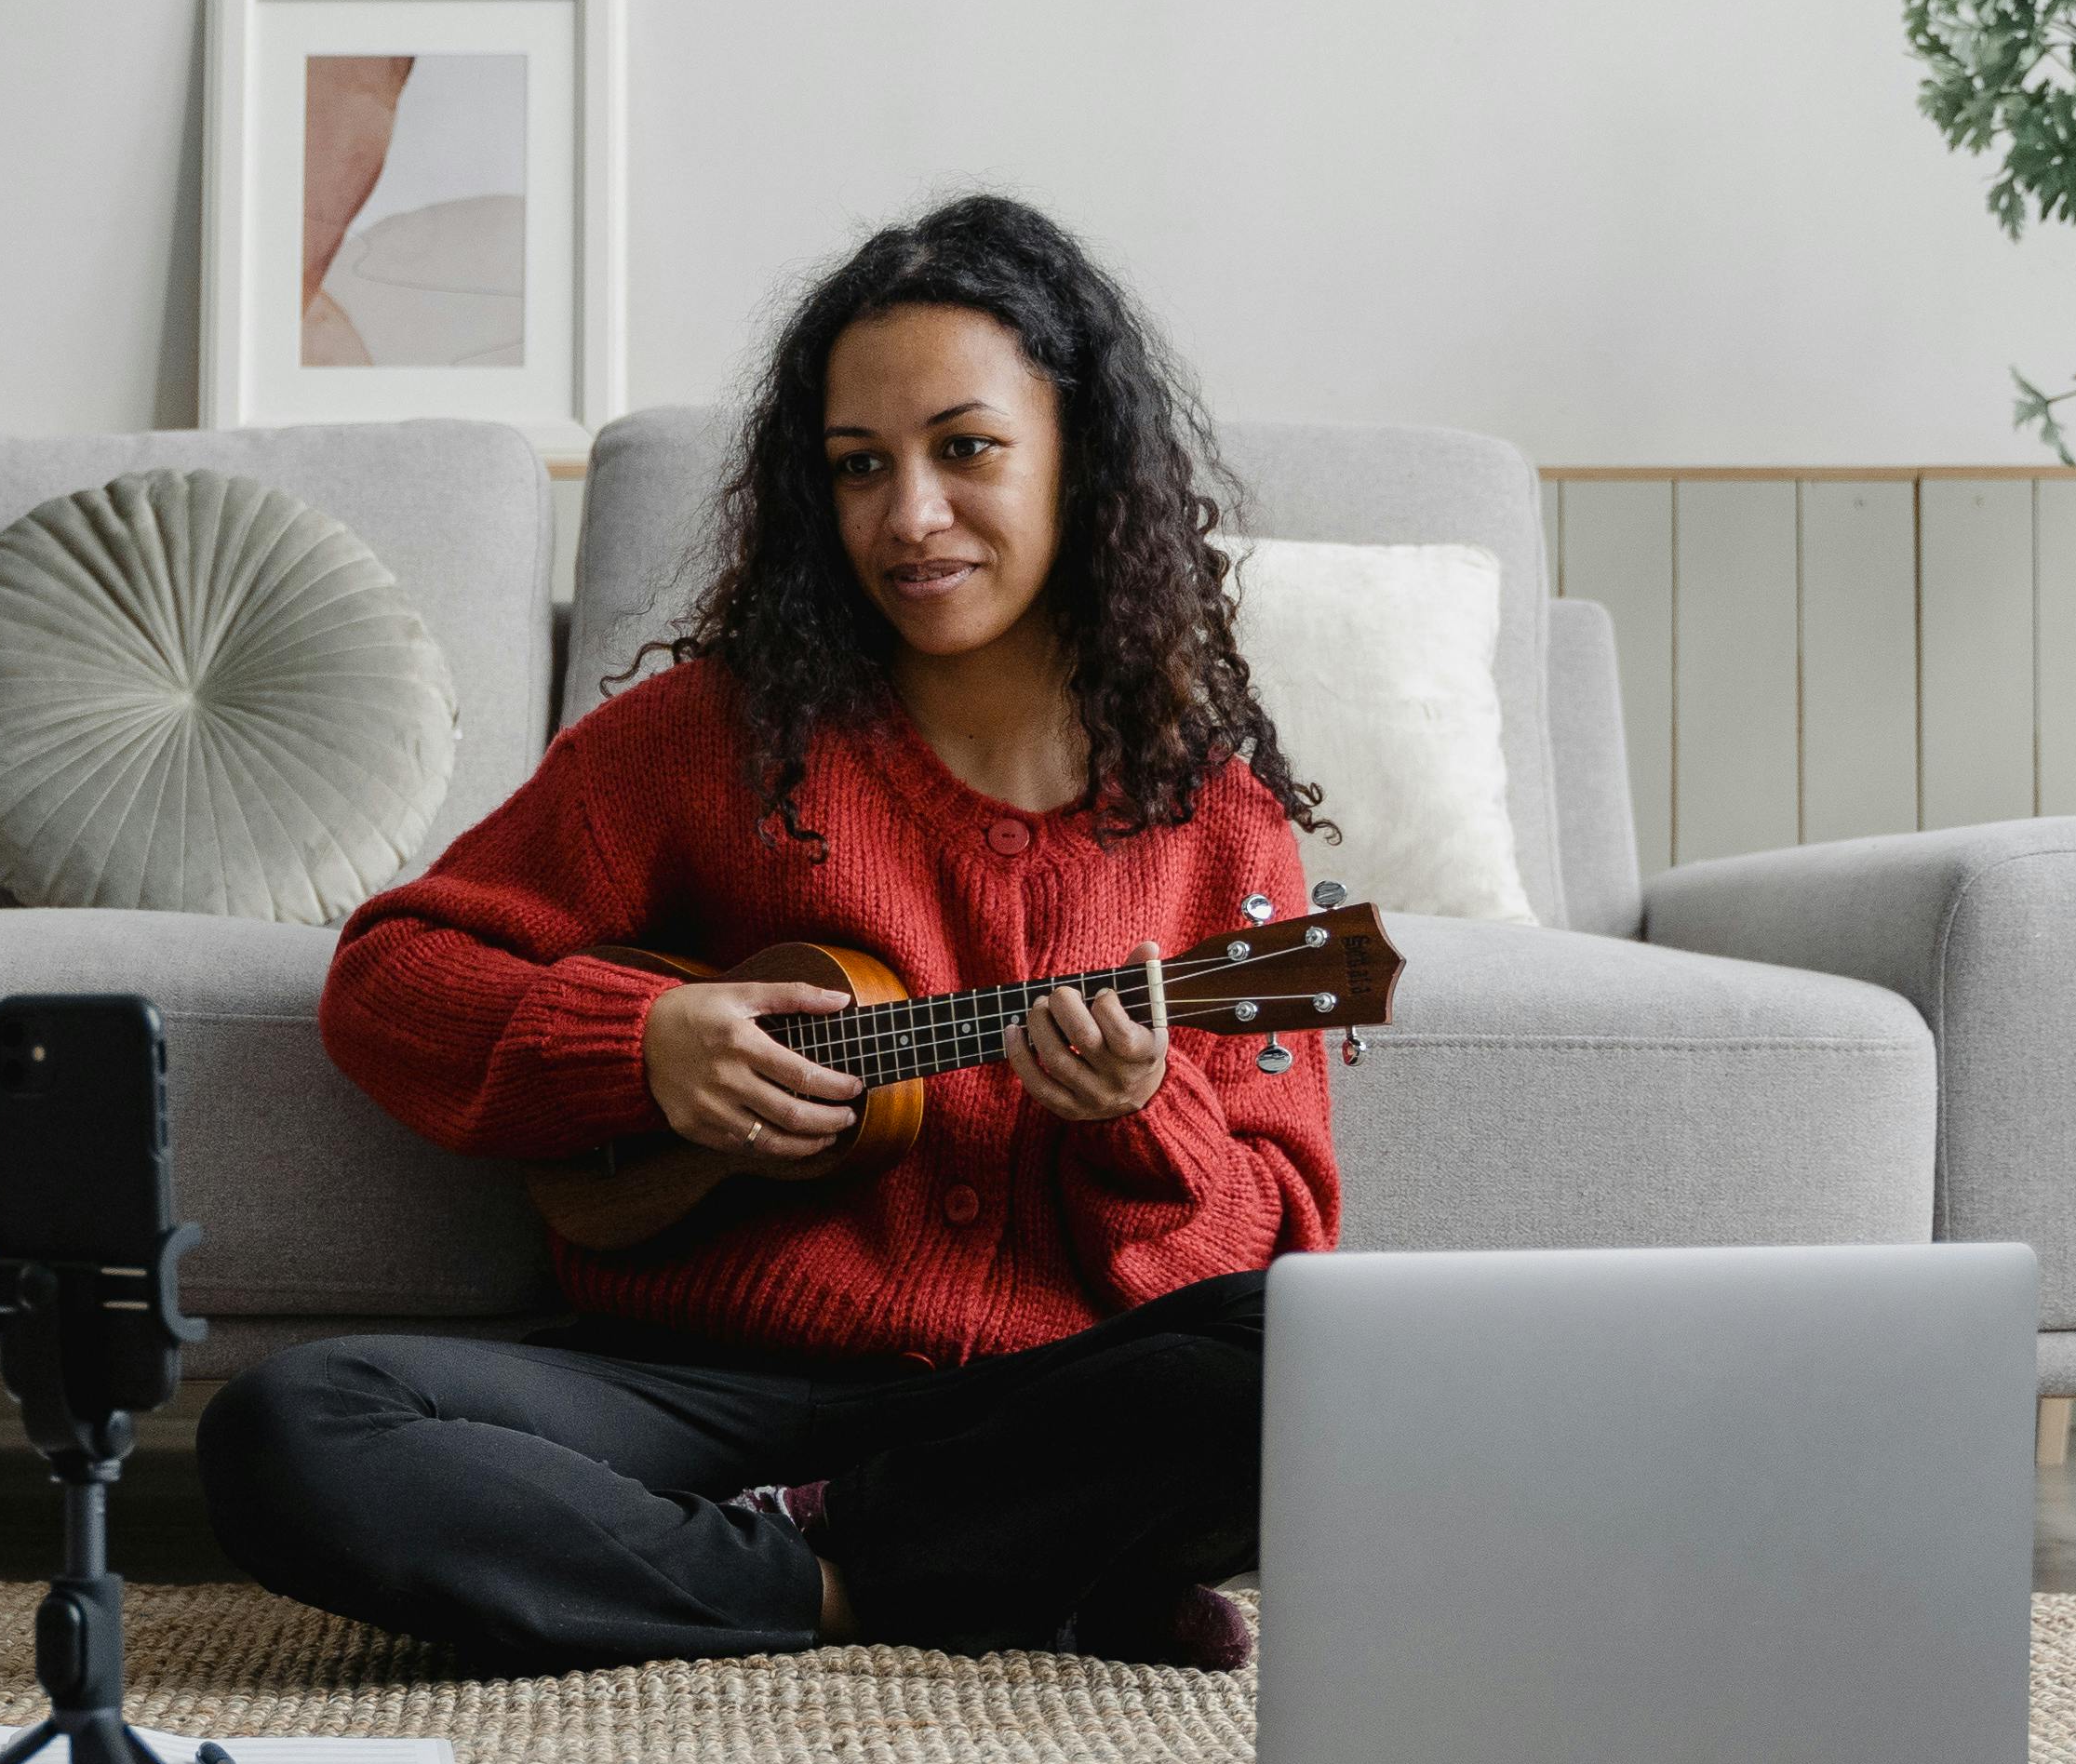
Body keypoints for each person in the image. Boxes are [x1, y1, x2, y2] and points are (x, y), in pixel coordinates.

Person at [195, 195, 1339, 1672]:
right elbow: (389, 979)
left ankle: (835, 1553)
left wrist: (1146, 1116)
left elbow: (1286, 1237)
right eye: (859, 467)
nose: (909, 516)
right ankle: (894, 1584)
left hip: (1037, 1403)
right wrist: (641, 1044)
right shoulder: (703, 744)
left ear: (1084, 458)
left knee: (1306, 1362)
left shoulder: (1220, 822)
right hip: (699, 1389)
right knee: (292, 1430)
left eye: (965, 449)